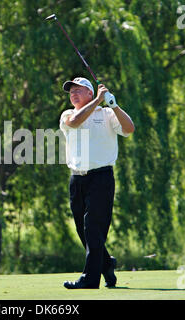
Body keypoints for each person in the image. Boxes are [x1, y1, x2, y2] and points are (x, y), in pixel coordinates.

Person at [59, 77, 135, 289]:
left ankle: (90, 279)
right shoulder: (68, 114)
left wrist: (114, 105)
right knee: (83, 230)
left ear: (90, 93)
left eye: (78, 90)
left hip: (101, 178)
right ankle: (106, 263)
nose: (73, 93)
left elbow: (129, 129)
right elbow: (75, 122)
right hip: (76, 179)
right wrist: (99, 100)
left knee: (93, 227)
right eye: (71, 91)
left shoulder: (108, 114)